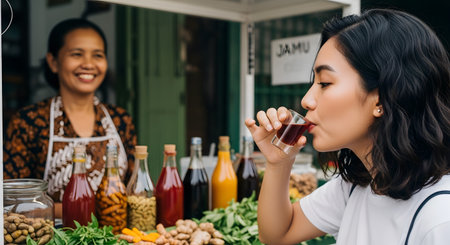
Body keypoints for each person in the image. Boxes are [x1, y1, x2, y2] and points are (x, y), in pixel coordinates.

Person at [246, 9, 450, 245]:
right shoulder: (358, 186)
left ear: (382, 99)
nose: (306, 100)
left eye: (324, 83)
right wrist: (279, 162)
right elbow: (277, 235)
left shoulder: (439, 218)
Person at [3, 18, 137, 218]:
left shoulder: (120, 120)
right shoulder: (29, 122)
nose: (89, 64)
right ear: (53, 62)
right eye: (77, 54)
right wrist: (97, 207)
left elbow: (136, 188)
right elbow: (12, 202)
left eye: (98, 55)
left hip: (116, 235)